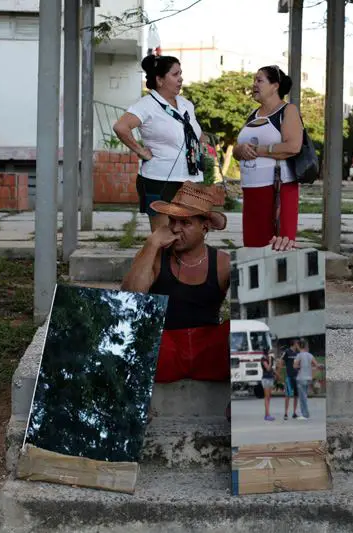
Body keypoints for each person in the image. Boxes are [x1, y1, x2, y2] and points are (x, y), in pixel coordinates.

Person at [120, 181, 231, 385]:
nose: (175, 229)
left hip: (207, 352)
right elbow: (129, 298)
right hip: (166, 348)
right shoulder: (155, 255)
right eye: (172, 221)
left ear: (204, 227)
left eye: (185, 223)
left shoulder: (223, 262)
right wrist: (152, 244)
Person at [113, 55, 203, 232]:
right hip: (160, 179)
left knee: (190, 235)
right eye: (175, 74)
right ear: (160, 80)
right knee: (164, 237)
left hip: (191, 179)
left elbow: (194, 134)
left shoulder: (186, 104)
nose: (181, 79)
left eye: (181, 74)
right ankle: (158, 261)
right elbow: (121, 127)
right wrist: (141, 151)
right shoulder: (146, 105)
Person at [233, 66, 302, 252]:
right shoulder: (253, 115)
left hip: (278, 189)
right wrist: (239, 150)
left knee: (278, 246)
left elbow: (293, 146)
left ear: (275, 86)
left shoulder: (288, 111)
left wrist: (259, 150)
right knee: (253, 246)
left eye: (259, 80)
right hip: (251, 189)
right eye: (254, 80)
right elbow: (237, 150)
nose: (254, 84)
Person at [293, 338, 321, 420]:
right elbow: (316, 365)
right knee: (305, 395)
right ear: (305, 346)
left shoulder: (299, 355)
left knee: (302, 397)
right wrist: (312, 371)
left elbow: (294, 366)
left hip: (301, 377)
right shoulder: (310, 355)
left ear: (300, 346)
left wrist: (299, 366)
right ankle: (306, 413)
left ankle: (304, 414)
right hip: (308, 378)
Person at [281, 339, 300, 420]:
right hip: (289, 376)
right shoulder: (287, 352)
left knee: (296, 395)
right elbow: (282, 362)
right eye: (297, 343)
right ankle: (285, 413)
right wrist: (286, 367)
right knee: (288, 395)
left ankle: (294, 413)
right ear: (294, 344)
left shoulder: (297, 353)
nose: (298, 345)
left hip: (297, 376)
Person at [260, 348, 276, 422]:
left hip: (270, 378)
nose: (270, 352)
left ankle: (267, 414)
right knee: (266, 397)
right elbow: (268, 368)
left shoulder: (271, 358)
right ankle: (267, 415)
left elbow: (273, 368)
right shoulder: (263, 359)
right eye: (269, 351)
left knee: (269, 397)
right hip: (266, 379)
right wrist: (270, 361)